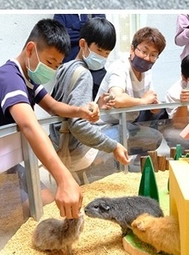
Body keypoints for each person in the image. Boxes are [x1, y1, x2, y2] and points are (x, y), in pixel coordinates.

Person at [0, 18, 99, 219]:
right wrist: (64, 177)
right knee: (33, 207)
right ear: (31, 49)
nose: (52, 70)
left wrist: (81, 111)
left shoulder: (29, 78)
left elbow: (52, 106)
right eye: (50, 62)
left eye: (57, 65)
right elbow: (29, 125)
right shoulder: (9, 77)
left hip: (10, 163)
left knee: (45, 200)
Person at [47, 18, 130, 180]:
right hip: (73, 150)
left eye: (106, 54)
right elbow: (78, 125)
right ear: (83, 44)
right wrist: (113, 147)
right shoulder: (84, 74)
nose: (102, 57)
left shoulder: (65, 67)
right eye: (99, 51)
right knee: (121, 132)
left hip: (56, 142)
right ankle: (93, 176)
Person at [98, 25, 167, 156]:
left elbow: (150, 100)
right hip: (104, 127)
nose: (147, 58)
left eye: (153, 55)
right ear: (132, 49)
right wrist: (143, 101)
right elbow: (116, 99)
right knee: (121, 136)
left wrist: (154, 106)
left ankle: (130, 164)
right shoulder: (120, 67)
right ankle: (103, 164)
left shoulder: (147, 73)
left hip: (126, 125)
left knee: (155, 138)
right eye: (144, 51)